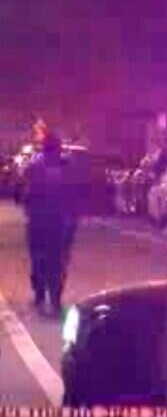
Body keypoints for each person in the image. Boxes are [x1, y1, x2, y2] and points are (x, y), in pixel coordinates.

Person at [23, 133, 80, 317]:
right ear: (59, 149)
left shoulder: (34, 167)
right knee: (58, 261)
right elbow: (77, 196)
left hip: (40, 222)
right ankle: (54, 298)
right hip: (61, 222)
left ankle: (41, 296)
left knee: (39, 259)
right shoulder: (68, 168)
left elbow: (26, 194)